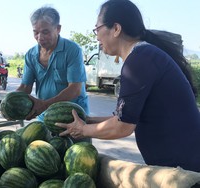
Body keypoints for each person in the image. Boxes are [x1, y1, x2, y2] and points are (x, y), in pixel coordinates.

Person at [56, 0, 200, 172]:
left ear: (116, 29)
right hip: (181, 163)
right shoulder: (143, 56)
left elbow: (122, 127)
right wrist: (88, 120)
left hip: (186, 167)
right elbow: (127, 118)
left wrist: (83, 130)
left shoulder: (139, 61)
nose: (96, 36)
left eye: (97, 28)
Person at [16, 6, 89, 123]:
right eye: (36, 32)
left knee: (78, 142)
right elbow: (25, 87)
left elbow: (75, 89)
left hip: (73, 118)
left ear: (58, 29)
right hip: (44, 117)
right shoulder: (31, 55)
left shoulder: (72, 50)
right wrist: (9, 104)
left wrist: (44, 105)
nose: (40, 38)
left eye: (45, 32)